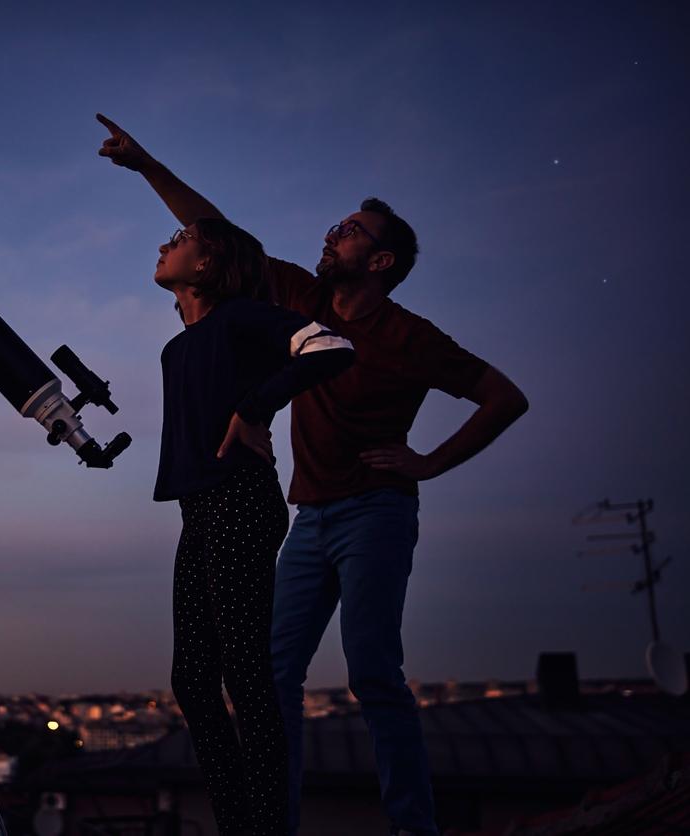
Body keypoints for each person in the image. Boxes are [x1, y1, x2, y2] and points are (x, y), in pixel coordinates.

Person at [98, 114, 528, 836]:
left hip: (376, 512)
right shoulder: (300, 298)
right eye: (336, 226)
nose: (333, 235)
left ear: (382, 262)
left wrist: (428, 462)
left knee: (373, 673)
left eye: (351, 231)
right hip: (308, 514)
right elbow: (217, 234)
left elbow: (504, 398)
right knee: (270, 677)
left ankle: (411, 826)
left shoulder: (412, 338)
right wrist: (146, 166)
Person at [149, 216, 354, 835]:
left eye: (180, 241)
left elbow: (332, 346)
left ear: (208, 265)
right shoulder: (177, 346)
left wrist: (255, 406)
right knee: (191, 679)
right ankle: (239, 824)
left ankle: (264, 828)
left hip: (240, 500)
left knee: (244, 669)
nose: (164, 246)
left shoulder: (242, 317)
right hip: (199, 511)